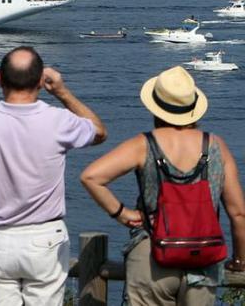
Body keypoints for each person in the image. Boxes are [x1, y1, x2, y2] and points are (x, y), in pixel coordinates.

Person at [0, 46, 106, 306]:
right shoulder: (58, 121)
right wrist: (62, 92)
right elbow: (98, 132)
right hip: (45, 236)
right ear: (41, 81)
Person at [81, 66, 245, 305]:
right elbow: (238, 213)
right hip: (203, 256)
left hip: (152, 253)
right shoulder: (216, 146)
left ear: (155, 108)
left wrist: (122, 214)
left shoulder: (143, 144)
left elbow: (91, 177)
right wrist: (240, 259)